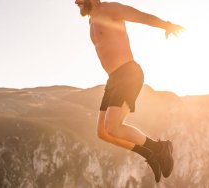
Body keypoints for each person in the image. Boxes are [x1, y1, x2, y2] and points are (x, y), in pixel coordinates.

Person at [75, 0, 184, 183]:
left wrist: (166, 25)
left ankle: (160, 148)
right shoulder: (91, 20)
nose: (76, 2)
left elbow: (142, 17)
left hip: (128, 73)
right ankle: (149, 154)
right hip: (114, 79)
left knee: (113, 127)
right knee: (103, 132)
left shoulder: (110, 9)